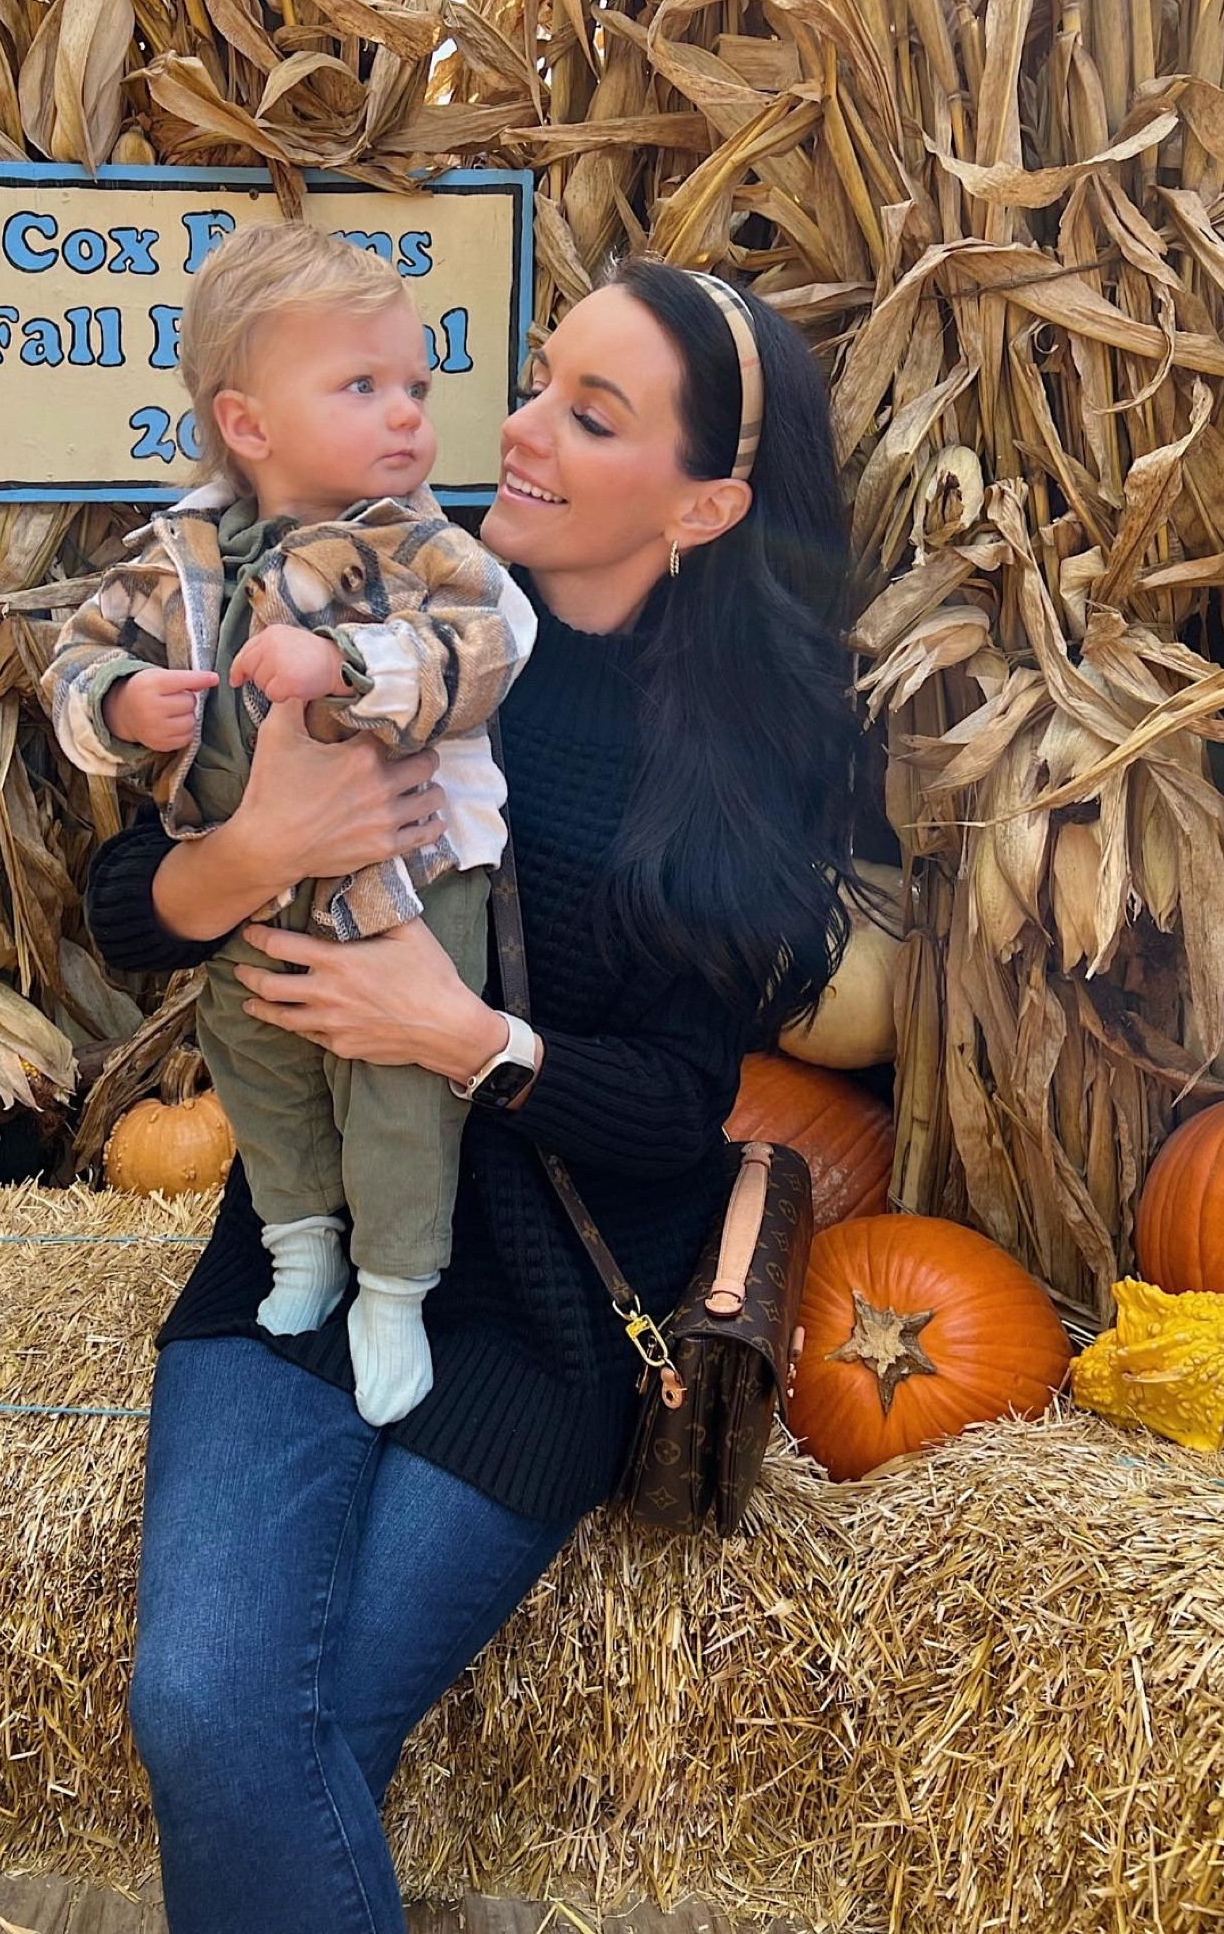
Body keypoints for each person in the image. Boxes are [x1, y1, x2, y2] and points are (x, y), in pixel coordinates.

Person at [82, 257, 864, 1934]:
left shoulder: (733, 756)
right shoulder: (362, 598)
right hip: (298, 1258)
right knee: (208, 1709)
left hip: (543, 1317)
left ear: (709, 501)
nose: (512, 430)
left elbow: (675, 1111)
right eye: (531, 382)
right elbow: (122, 904)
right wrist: (252, 852)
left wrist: (459, 1033)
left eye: (590, 414)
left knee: (293, 1736)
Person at [45, 222, 536, 1426]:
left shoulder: (421, 546)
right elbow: (75, 660)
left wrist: (351, 659)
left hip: (405, 887)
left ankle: (395, 1282)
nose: (407, 414)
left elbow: (490, 647)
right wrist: (120, 700)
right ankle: (300, 1240)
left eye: (416, 385)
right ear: (249, 425)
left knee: (396, 1091)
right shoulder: (177, 557)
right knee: (262, 1068)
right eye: (362, 386)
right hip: (250, 889)